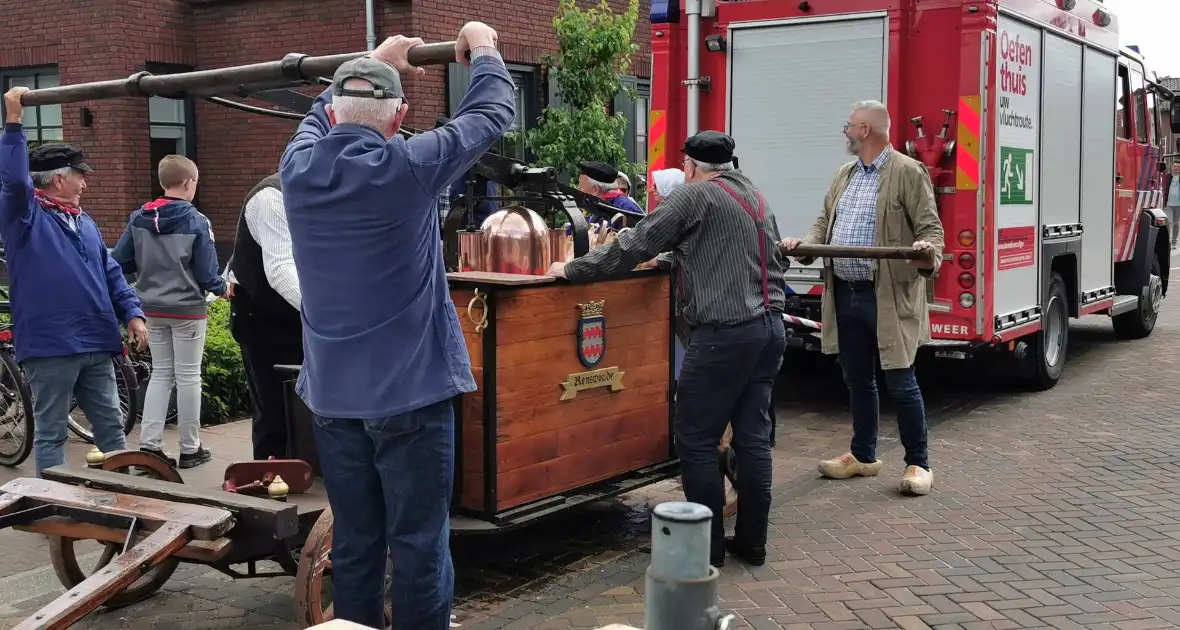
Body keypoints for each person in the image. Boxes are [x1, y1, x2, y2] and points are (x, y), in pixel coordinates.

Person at [278, 25, 515, 630]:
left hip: (333, 399)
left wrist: (371, 60)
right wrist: (483, 44)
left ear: (334, 112)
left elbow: (318, 114)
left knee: (357, 542)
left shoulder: (298, 169)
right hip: (409, 398)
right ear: (399, 116)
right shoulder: (408, 165)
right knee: (417, 544)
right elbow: (492, 109)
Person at [547, 130, 787, 568]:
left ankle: (704, 547)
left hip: (723, 334)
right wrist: (670, 261)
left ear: (691, 167)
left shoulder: (693, 197)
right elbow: (749, 256)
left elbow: (632, 244)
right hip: (769, 330)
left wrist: (575, 269)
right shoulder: (755, 196)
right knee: (752, 440)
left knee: (694, 439)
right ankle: (753, 541)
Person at [780, 100, 944, 496]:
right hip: (846, 295)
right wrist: (805, 245)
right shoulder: (844, 175)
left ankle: (918, 463)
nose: (846, 132)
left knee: (901, 380)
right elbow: (825, 223)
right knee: (857, 380)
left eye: (849, 126)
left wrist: (926, 249)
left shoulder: (907, 172)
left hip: (886, 296)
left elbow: (931, 230)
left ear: (865, 130)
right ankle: (863, 456)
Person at [0, 87, 149, 477]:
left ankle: (123, 497)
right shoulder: (24, 216)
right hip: (51, 345)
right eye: (80, 176)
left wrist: (133, 313)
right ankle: (54, 509)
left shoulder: (85, 223)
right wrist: (13, 123)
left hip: (96, 341)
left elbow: (111, 271)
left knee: (112, 430)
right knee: (51, 434)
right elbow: (15, 183)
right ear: (59, 179)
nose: (86, 183)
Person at [112, 154, 226, 468]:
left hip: (150, 309)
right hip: (188, 310)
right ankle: (191, 449)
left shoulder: (138, 218)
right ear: (189, 183)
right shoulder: (197, 221)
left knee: (161, 375)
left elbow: (119, 262)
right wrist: (223, 288)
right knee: (189, 377)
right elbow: (206, 274)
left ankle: (149, 447)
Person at [225, 171, 303, 461]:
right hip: (263, 318)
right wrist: (326, 316)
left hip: (298, 316)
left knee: (307, 408)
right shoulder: (271, 197)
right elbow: (281, 269)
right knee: (273, 410)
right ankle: (272, 484)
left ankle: (306, 473)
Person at [577, 161, 645, 215]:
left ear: (595, 189)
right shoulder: (599, 205)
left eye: (581, 186)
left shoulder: (625, 209)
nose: (578, 188)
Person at [1165, 161, 1179, 249]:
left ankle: (1174, 242)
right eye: (1175, 166)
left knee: (1176, 224)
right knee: (1169, 223)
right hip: (1169, 204)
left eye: (1178, 166)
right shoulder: (1167, 177)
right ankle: (1167, 242)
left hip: (1178, 205)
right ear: (1171, 167)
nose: (1176, 168)